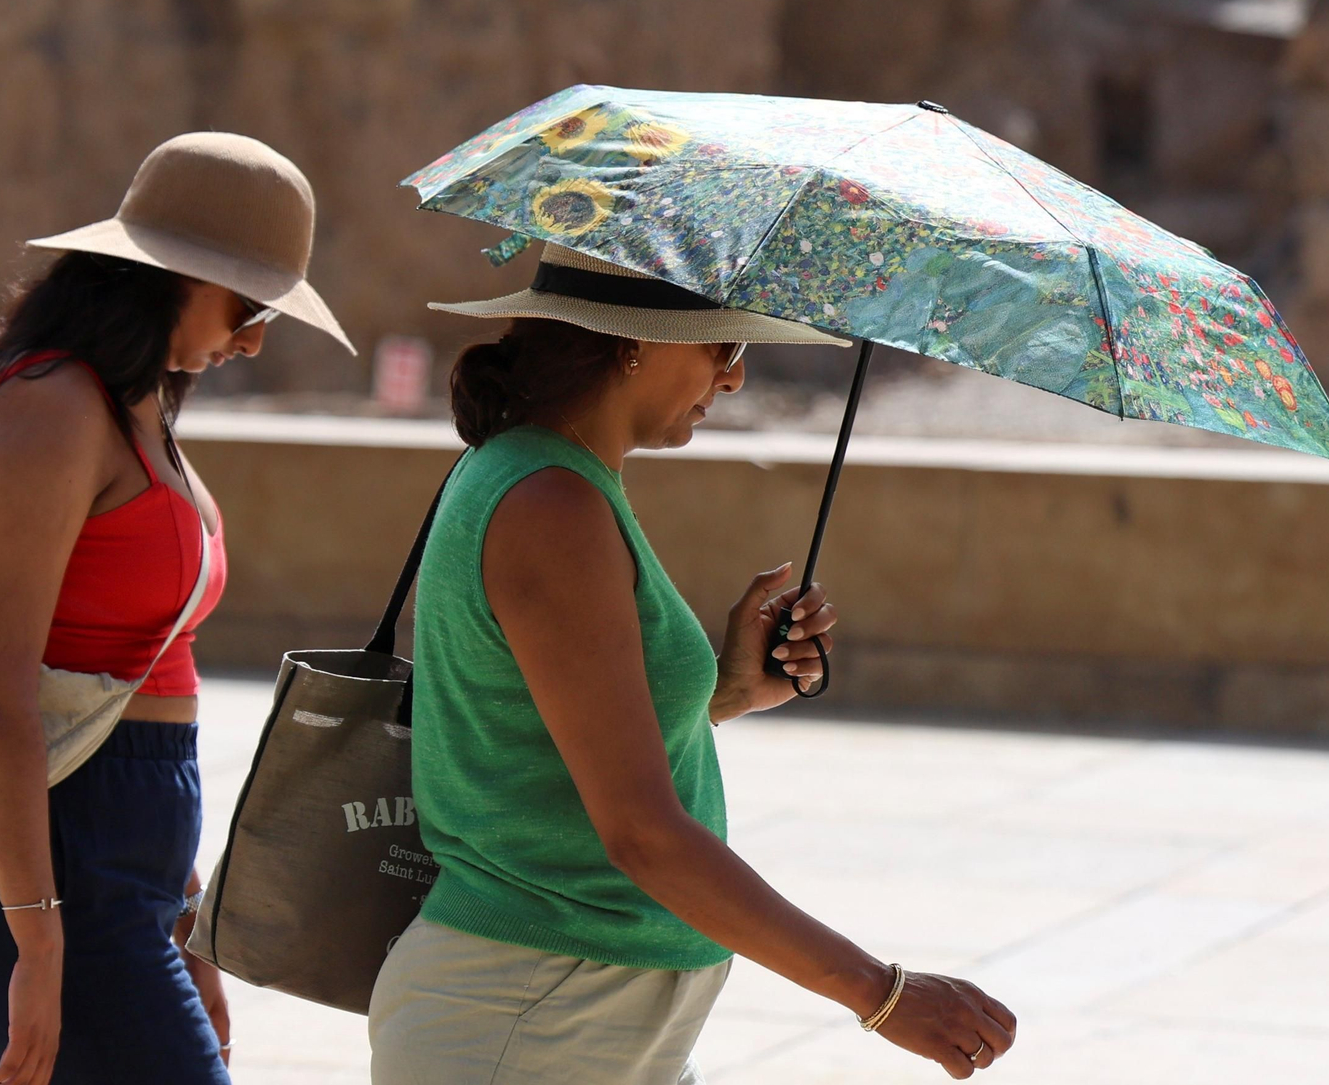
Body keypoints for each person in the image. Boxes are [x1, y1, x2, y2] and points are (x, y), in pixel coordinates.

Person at [369, 245, 1017, 1084]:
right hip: (530, 1020)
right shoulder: (550, 505)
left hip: (578, 1017)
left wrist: (728, 691)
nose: (735, 377)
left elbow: (548, 734)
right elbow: (641, 833)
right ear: (635, 340)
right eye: (724, 345)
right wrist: (880, 992)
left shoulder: (558, 480)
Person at [0, 132, 352, 1085]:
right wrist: (38, 944)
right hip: (37, 868)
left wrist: (183, 912)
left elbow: (136, 678)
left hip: (105, 867)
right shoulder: (51, 409)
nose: (254, 340)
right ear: (176, 274)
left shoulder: (128, 404)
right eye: (251, 306)